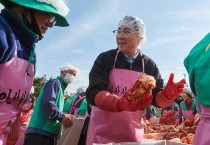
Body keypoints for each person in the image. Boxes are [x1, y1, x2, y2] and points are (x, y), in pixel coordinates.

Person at [85, 15, 186, 144]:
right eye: (118, 31)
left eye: (126, 31)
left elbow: (156, 98)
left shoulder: (149, 65)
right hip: (102, 132)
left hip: (132, 132)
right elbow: (94, 91)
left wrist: (166, 96)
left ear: (139, 36)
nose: (119, 36)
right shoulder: (105, 59)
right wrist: (120, 103)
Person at [0, 0, 70, 144]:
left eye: (54, 19)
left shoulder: (29, 48)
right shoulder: (3, 33)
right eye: (48, 16)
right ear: (23, 7)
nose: (51, 24)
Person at [23, 64, 80, 145]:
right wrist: (62, 116)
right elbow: (47, 102)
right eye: (70, 73)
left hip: (47, 132)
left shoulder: (61, 88)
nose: (72, 77)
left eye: (74, 75)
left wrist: (65, 115)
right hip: (40, 131)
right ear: (62, 72)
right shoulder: (55, 83)